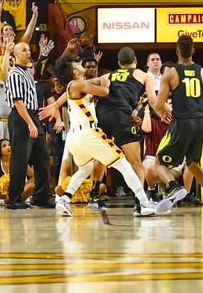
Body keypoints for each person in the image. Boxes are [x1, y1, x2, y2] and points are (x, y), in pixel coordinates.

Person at [50, 55, 156, 217]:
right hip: (88, 133)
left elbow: (92, 86)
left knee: (85, 168)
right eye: (78, 63)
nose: (81, 64)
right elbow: (105, 91)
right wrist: (106, 82)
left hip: (76, 137)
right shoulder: (78, 83)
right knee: (123, 163)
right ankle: (143, 202)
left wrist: (56, 104)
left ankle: (65, 199)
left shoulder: (77, 85)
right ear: (74, 72)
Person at [150, 36, 203, 216]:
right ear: (193, 50)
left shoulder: (171, 73)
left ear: (177, 51)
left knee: (158, 163)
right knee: (193, 165)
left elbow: (159, 104)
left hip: (182, 122)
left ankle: (173, 187)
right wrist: (198, 106)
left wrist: (162, 111)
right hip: (199, 123)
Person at [4, 43, 52, 209]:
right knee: (20, 159)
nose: (28, 52)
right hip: (21, 117)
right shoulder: (15, 74)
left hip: (33, 116)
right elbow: (18, 102)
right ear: (15, 54)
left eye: (28, 50)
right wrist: (30, 123)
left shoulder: (27, 71)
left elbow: (37, 65)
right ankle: (14, 199)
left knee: (43, 157)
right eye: (23, 50)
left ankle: (41, 197)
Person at [0, 139, 36, 205]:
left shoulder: (20, 161)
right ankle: (8, 200)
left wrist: (24, 185)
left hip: (18, 192)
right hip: (2, 192)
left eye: (9, 145)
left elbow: (33, 177)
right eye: (4, 146)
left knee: (31, 185)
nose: (8, 147)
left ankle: (5, 201)